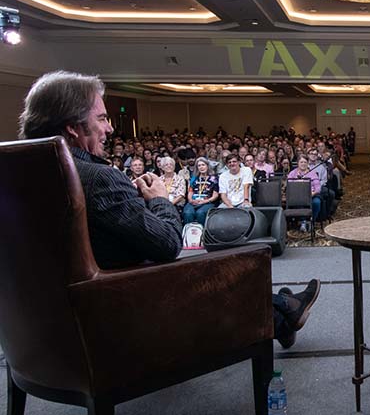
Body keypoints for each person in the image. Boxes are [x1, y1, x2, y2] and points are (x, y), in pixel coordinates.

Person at [17, 71, 320, 349]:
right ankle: (284, 311)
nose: (110, 127)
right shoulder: (98, 178)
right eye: (101, 118)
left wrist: (131, 202)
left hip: (40, 328)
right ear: (73, 128)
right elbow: (167, 244)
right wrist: (159, 199)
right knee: (226, 264)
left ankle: (283, 310)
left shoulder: (19, 174)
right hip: (121, 309)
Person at [288, 155, 322, 232]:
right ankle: (303, 222)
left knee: (316, 203)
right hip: (297, 196)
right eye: (301, 162)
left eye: (305, 162)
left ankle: (311, 221)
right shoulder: (292, 173)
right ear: (298, 163)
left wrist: (312, 194)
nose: (303, 164)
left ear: (307, 163)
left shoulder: (313, 173)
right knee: (299, 203)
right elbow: (289, 186)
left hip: (311, 195)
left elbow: (318, 188)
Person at [183, 157, 219, 225]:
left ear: (207, 166)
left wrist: (205, 201)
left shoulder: (214, 178)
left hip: (207, 202)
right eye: (199, 165)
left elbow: (215, 195)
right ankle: (188, 233)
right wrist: (191, 200)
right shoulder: (194, 178)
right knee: (188, 213)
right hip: (194, 201)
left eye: (203, 165)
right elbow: (190, 192)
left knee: (200, 213)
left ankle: (202, 233)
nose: (201, 167)